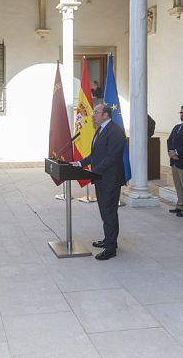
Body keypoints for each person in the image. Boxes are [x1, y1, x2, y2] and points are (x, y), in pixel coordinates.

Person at [71, 104, 126, 261]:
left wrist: (94, 171)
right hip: (101, 177)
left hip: (110, 178)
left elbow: (112, 157)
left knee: (109, 212)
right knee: (105, 211)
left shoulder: (115, 132)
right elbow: (96, 154)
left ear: (106, 115)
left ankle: (110, 248)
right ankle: (109, 240)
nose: (93, 115)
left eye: (96, 112)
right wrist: (81, 163)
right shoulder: (100, 129)